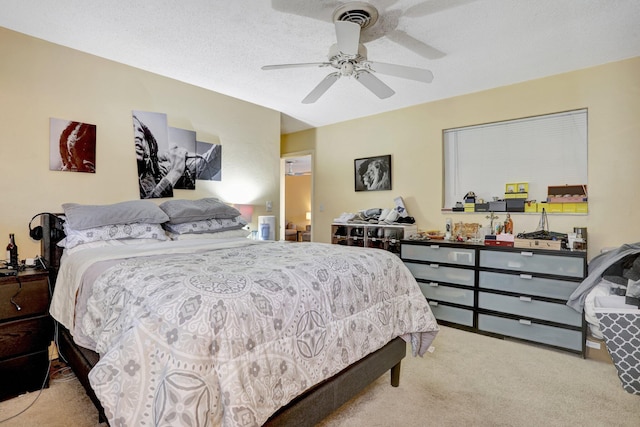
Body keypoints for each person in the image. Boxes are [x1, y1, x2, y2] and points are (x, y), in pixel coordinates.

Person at [134, 115, 188, 199]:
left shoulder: (155, 171)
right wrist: (175, 172)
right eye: (132, 130)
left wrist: (178, 158)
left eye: (140, 131)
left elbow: (202, 165)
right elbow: (146, 206)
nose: (139, 136)